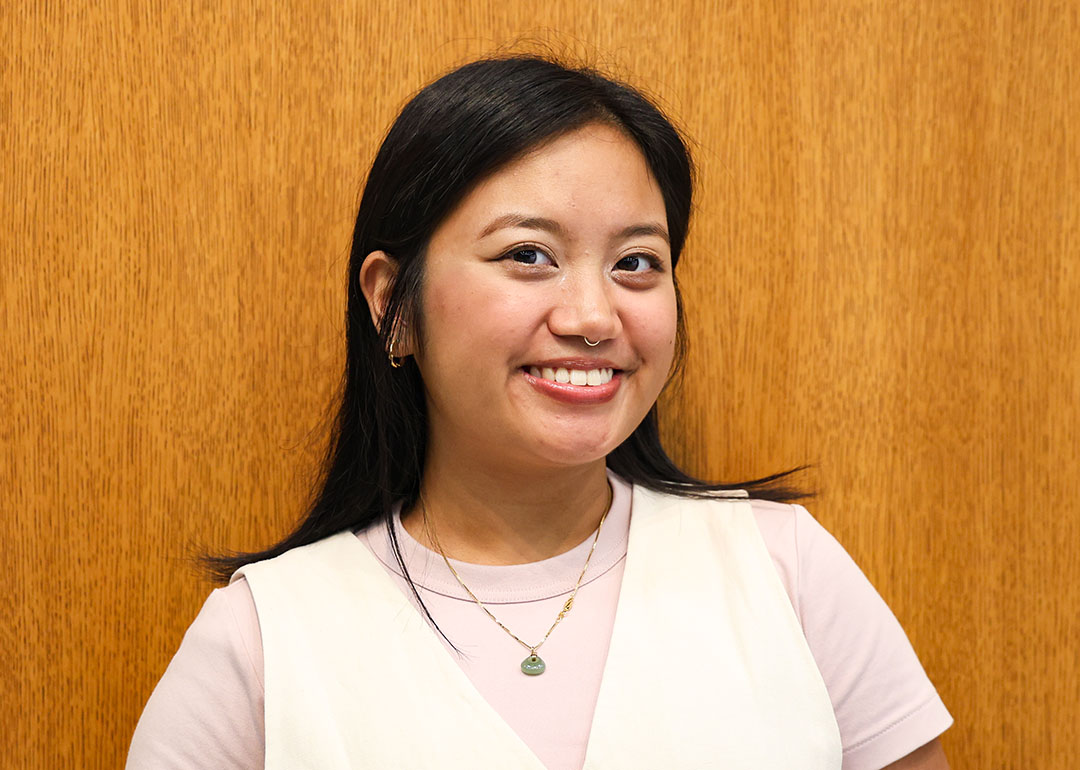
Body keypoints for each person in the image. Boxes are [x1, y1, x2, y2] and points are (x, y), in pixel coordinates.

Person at [127, 55, 953, 770]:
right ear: (393, 306)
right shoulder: (263, 639)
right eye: (529, 255)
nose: (593, 316)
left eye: (637, 262)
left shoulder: (788, 574)